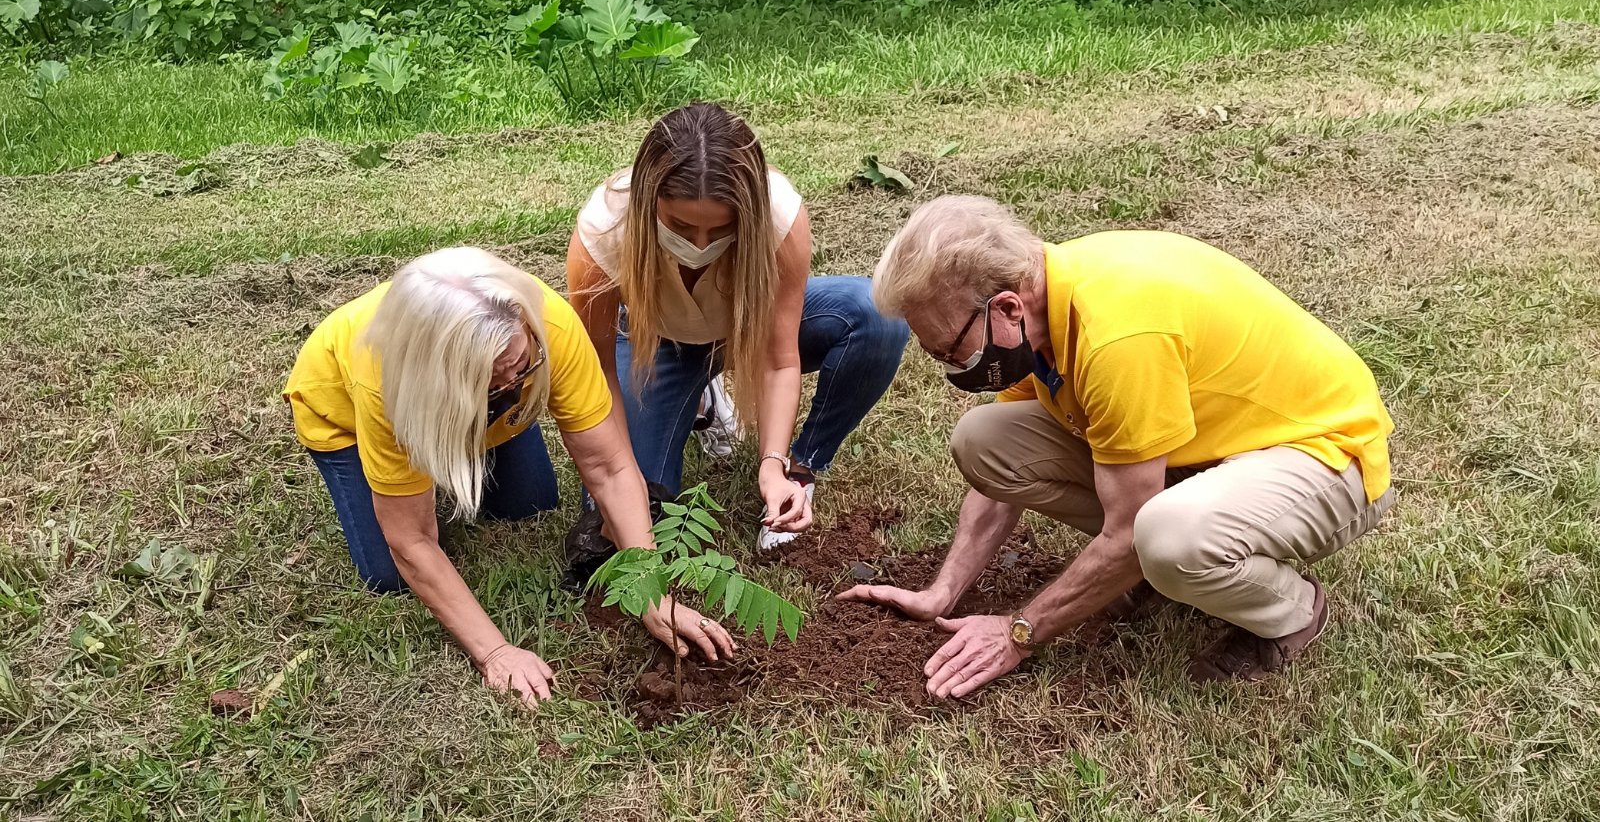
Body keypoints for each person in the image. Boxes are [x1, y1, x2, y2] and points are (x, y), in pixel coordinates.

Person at [842, 196, 1396, 696]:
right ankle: (1159, 572)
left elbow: (1130, 531)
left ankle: (1291, 612)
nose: (951, 367)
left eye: (949, 350)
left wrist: (1018, 633)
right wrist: (943, 592)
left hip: (1324, 455)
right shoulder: (1043, 303)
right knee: (985, 440)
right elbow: (1000, 476)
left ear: (1007, 307)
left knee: (1165, 536)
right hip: (1211, 448)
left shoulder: (1116, 336)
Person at [283, 247, 735, 706]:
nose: (513, 384)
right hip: (346, 418)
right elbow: (412, 539)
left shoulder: (550, 326)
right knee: (389, 575)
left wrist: (652, 593)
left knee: (530, 503)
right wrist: (494, 651)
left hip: (472, 409)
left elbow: (610, 467)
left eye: (521, 366)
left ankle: (478, 419)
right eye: (490, 379)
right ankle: (423, 451)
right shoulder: (385, 383)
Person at [566, 102, 909, 550]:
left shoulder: (779, 215)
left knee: (875, 314)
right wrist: (616, 484)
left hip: (748, 331)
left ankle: (799, 474)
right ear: (652, 201)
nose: (700, 245)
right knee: (633, 508)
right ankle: (700, 398)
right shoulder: (606, 226)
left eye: (720, 230)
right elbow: (598, 375)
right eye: (681, 227)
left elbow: (778, 359)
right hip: (655, 344)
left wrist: (772, 465)